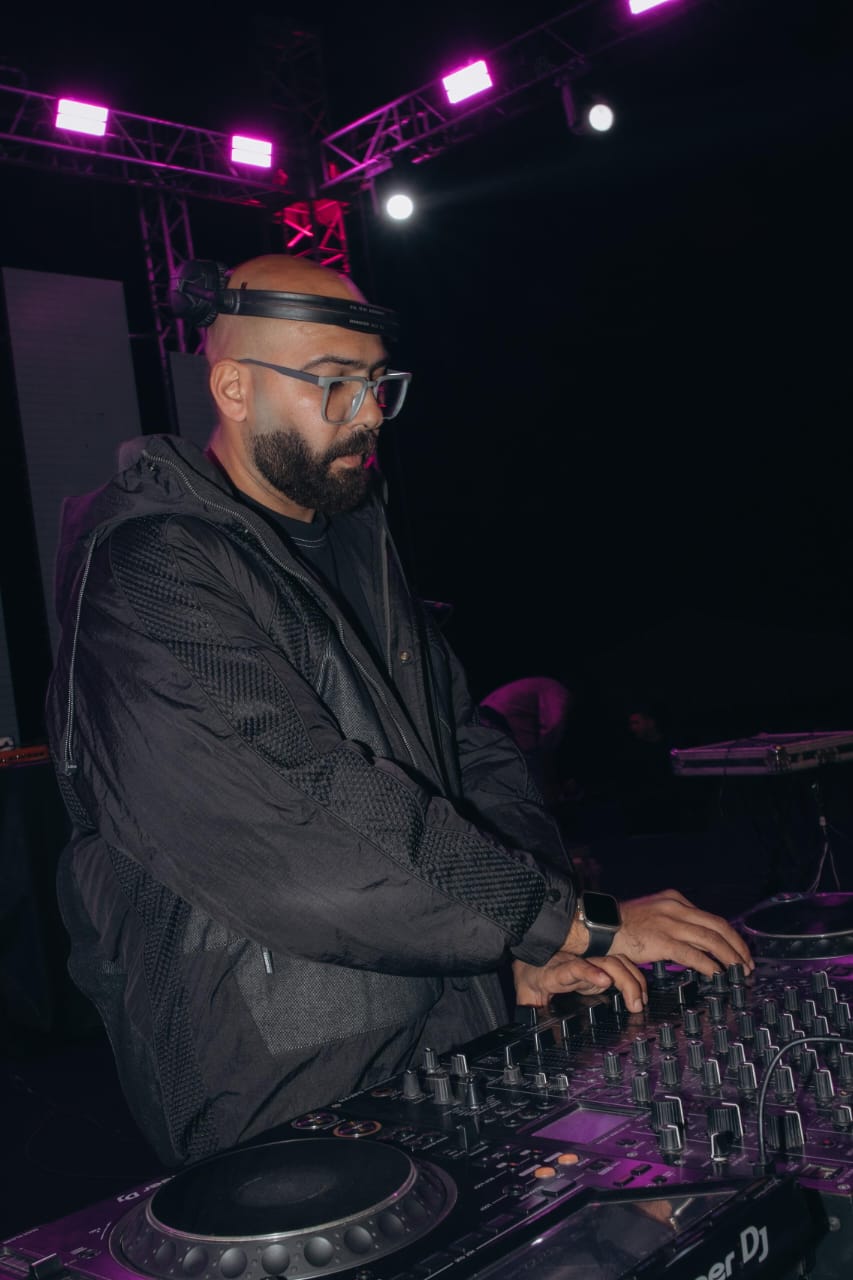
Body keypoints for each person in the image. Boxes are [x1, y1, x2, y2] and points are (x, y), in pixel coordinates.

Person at [45, 255, 752, 1168]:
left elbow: (469, 754)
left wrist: (523, 944)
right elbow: (298, 816)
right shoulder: (149, 567)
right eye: (334, 382)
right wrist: (570, 921)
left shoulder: (355, 545)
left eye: (378, 383)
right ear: (233, 387)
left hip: (452, 1011)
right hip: (284, 1067)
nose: (371, 413)